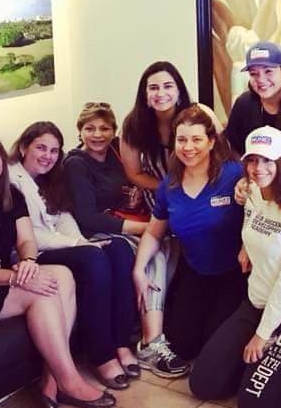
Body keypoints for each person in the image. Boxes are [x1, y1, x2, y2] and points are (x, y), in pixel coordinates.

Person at [0, 128, 114, 408]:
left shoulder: (10, 194)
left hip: (5, 279)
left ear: (1, 159)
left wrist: (29, 262)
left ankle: (50, 378)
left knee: (62, 275)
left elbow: (26, 240)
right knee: (42, 292)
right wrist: (17, 278)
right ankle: (68, 380)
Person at [189, 126, 281, 408]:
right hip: (257, 300)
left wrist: (262, 336)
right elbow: (253, 222)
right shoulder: (251, 190)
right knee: (203, 384)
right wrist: (246, 247)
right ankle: (255, 366)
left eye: (267, 160)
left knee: (253, 405)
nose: (258, 168)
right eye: (252, 160)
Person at [8, 121, 141, 390]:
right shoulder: (11, 180)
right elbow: (29, 235)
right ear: (23, 147)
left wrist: (81, 241)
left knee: (119, 249)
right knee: (94, 259)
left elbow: (63, 215)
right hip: (29, 255)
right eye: (41, 148)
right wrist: (78, 245)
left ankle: (121, 344)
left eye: (54, 151)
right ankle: (101, 356)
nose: (47, 156)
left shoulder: (50, 177)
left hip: (61, 244)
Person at [63, 102, 186, 378]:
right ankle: (151, 342)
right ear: (79, 131)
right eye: (90, 128)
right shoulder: (76, 163)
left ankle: (144, 322)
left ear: (114, 130)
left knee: (171, 244)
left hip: (129, 221)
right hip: (100, 231)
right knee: (154, 252)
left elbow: (136, 178)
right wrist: (144, 228)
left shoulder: (117, 151)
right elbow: (87, 217)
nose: (98, 135)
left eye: (104, 128)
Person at [133, 105, 246, 368]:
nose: (188, 147)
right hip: (195, 272)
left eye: (197, 139)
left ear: (211, 141)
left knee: (214, 348)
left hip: (234, 275)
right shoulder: (169, 185)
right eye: (182, 140)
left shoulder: (233, 175)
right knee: (182, 345)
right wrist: (138, 270)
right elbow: (154, 233)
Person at [120, 61, 193, 208]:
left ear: (179, 90)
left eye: (168, 86)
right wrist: (171, 189)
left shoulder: (198, 116)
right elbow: (134, 174)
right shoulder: (133, 124)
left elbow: (222, 158)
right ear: (145, 94)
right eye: (153, 88)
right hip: (158, 192)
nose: (160, 93)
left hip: (199, 189)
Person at [225, 42, 281, 157]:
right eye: (254, 74)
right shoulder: (244, 104)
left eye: (268, 71)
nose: (261, 79)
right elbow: (231, 148)